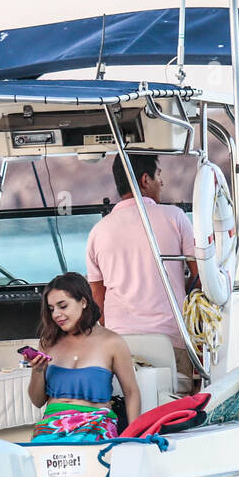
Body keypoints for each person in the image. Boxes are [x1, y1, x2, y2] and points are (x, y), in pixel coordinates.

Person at [86, 154, 200, 384]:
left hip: (121, 345)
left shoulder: (98, 231)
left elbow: (98, 299)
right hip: (171, 342)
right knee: (175, 406)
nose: (162, 182)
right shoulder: (175, 217)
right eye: (159, 175)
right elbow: (200, 275)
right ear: (145, 180)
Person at [25, 273, 141, 442]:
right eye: (51, 309)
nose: (56, 314)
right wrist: (37, 371)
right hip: (52, 426)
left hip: (96, 424)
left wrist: (134, 436)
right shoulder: (48, 343)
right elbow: (37, 401)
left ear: (84, 302)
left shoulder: (112, 341)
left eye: (62, 306)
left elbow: (131, 392)